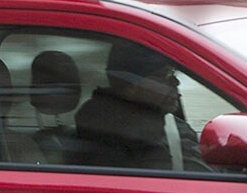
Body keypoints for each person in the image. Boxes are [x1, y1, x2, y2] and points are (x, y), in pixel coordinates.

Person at [74, 41, 202, 171]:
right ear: (131, 86)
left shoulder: (167, 124)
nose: (176, 82)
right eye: (164, 75)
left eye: (173, 74)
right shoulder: (111, 132)